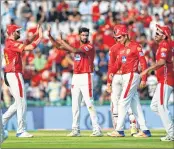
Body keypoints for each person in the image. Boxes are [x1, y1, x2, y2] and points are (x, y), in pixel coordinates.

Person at [47, 26, 103, 137]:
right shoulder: (78, 46)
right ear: (79, 36)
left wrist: (62, 40)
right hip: (76, 77)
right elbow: (59, 47)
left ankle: (97, 129)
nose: (85, 37)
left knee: (89, 103)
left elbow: (73, 50)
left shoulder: (89, 46)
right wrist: (50, 37)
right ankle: (75, 129)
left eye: (86, 35)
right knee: (75, 104)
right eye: (83, 35)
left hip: (86, 75)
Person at [107, 24, 151, 137]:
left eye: (120, 37)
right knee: (135, 104)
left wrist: (144, 79)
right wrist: (110, 76)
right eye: (116, 38)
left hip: (132, 75)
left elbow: (143, 63)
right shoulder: (121, 49)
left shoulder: (136, 46)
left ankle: (119, 130)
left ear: (126, 35)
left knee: (122, 102)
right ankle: (145, 130)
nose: (118, 40)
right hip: (126, 76)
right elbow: (116, 65)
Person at [2, 24, 42, 138]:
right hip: (14, 73)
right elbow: (30, 47)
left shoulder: (10, 42)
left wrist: (35, 34)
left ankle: (2, 122)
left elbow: (26, 42)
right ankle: (21, 130)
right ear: (12, 33)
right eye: (18, 31)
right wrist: (40, 37)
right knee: (22, 102)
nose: (19, 33)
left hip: (11, 74)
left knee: (18, 102)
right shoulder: (11, 43)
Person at [140, 24, 174, 141]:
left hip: (165, 80)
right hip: (162, 80)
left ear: (164, 36)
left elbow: (161, 62)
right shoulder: (162, 45)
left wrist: (147, 70)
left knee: (162, 107)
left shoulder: (164, 45)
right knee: (154, 106)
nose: (156, 34)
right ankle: (171, 125)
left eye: (159, 32)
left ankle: (171, 134)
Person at [106, 37, 138, 137]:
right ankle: (133, 126)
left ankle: (118, 129)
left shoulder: (113, 48)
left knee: (115, 103)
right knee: (128, 100)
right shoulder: (130, 47)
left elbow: (111, 65)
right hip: (127, 75)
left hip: (116, 76)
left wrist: (108, 81)